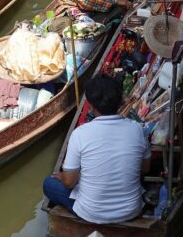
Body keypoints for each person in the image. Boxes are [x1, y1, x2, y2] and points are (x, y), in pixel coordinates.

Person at [43, 74, 151, 223]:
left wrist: (66, 176)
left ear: (91, 106)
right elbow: (145, 168)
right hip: (130, 210)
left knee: (49, 183)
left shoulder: (80, 133)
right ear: (120, 102)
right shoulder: (138, 129)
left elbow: (69, 183)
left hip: (91, 213)